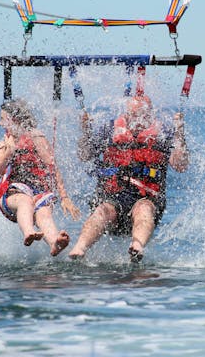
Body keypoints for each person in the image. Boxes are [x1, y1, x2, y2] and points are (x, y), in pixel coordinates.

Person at [69, 95, 189, 262]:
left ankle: (137, 247)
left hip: (147, 197)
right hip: (112, 196)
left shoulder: (163, 133)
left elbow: (180, 165)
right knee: (102, 211)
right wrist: (85, 131)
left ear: (150, 114)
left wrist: (180, 133)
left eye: (143, 115)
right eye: (133, 115)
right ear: (126, 114)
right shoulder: (109, 130)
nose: (138, 120)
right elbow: (85, 155)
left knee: (143, 209)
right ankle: (80, 248)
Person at [0, 99, 81, 256]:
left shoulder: (37, 138)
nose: (0, 123)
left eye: (3, 119)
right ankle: (29, 232)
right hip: (13, 195)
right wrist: (8, 152)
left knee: (43, 211)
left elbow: (53, 167)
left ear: (14, 120)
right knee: (26, 202)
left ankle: (55, 242)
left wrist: (64, 197)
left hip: (39, 190)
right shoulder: (5, 143)